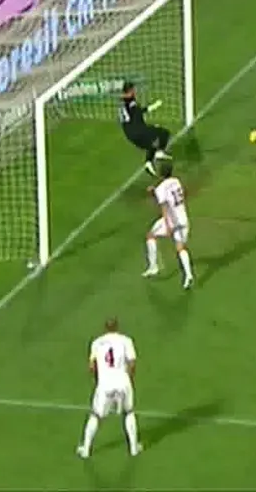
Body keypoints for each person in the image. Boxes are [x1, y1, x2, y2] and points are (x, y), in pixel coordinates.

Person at [77, 318, 141, 458]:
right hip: (123, 381)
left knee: (96, 415)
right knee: (128, 412)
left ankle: (86, 450)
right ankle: (134, 448)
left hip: (105, 384)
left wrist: (98, 381)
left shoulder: (97, 343)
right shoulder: (126, 341)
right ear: (117, 327)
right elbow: (132, 363)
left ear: (105, 328)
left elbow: (92, 366)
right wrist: (128, 380)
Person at [143, 161, 194, 289]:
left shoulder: (161, 188)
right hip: (183, 218)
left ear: (160, 173)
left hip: (172, 221)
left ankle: (154, 267)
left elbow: (164, 207)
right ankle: (188, 275)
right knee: (180, 247)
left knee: (150, 236)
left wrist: (168, 226)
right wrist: (154, 191)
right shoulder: (176, 181)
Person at [119, 81, 171, 176]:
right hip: (138, 131)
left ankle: (149, 163)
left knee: (151, 142)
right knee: (164, 133)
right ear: (130, 90)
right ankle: (156, 155)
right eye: (133, 89)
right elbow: (139, 112)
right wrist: (154, 106)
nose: (135, 91)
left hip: (129, 134)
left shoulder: (122, 102)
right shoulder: (130, 102)